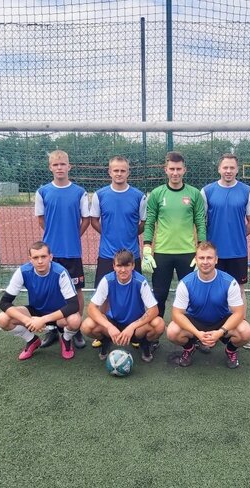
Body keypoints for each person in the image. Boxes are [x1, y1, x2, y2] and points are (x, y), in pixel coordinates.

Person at [201, 153, 250, 350]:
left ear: (237, 169)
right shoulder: (207, 191)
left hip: (237, 252)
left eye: (232, 168)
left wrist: (237, 235)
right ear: (219, 169)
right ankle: (207, 332)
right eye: (225, 167)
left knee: (239, 290)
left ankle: (241, 330)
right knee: (209, 290)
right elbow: (200, 221)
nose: (228, 171)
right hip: (212, 254)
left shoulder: (247, 191)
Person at [89, 155, 147, 349]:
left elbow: (143, 223)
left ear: (128, 172)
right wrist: (108, 234)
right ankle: (104, 333)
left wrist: (130, 234)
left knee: (135, 294)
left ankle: (135, 334)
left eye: (123, 170)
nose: (119, 173)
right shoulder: (100, 195)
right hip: (107, 254)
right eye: (116, 170)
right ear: (110, 172)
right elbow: (94, 220)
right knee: (103, 296)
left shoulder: (139, 196)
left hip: (132, 255)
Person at [34, 149, 89, 349]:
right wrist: (53, 237)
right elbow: (41, 219)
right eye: (55, 165)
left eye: (63, 164)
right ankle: (51, 328)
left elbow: (86, 220)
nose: (59, 168)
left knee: (76, 290)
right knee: (51, 291)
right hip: (51, 253)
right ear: (50, 167)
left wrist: (73, 236)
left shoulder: (80, 192)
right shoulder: (42, 192)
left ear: (69, 166)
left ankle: (76, 329)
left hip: (72, 252)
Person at [167, 241, 250, 368]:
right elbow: (176, 314)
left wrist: (220, 332)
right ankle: (189, 348)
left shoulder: (229, 282)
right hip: (195, 321)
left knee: (246, 332)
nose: (205, 262)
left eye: (209, 258)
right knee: (172, 331)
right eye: (201, 258)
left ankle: (230, 350)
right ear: (196, 260)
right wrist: (197, 333)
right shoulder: (185, 283)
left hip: (221, 321)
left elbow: (239, 313)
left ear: (216, 260)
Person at [142, 151, 206, 320]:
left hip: (188, 253)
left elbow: (200, 222)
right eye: (172, 169)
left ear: (184, 170)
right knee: (159, 295)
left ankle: (192, 331)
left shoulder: (194, 193)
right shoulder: (157, 193)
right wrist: (147, 246)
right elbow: (150, 222)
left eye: (178, 169)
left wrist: (201, 248)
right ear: (166, 170)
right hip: (162, 253)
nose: (175, 173)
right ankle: (155, 330)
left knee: (191, 295)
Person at [0, 241, 82, 361]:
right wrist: (27, 320)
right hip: (35, 311)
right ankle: (32, 340)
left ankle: (66, 339)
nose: (40, 261)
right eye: (36, 258)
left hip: (58, 314)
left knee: (75, 320)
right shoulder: (22, 272)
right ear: (30, 259)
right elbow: (4, 303)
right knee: (3, 319)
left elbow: (73, 305)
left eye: (43, 256)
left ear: (50, 257)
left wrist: (43, 320)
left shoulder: (60, 272)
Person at [81, 249, 165, 362]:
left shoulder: (140, 281)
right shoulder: (107, 280)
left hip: (136, 327)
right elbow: (91, 308)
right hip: (114, 323)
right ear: (114, 266)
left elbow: (154, 310)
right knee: (87, 325)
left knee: (159, 324)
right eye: (119, 266)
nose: (123, 270)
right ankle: (106, 341)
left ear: (133, 266)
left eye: (127, 265)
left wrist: (132, 327)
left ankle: (144, 344)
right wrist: (109, 327)